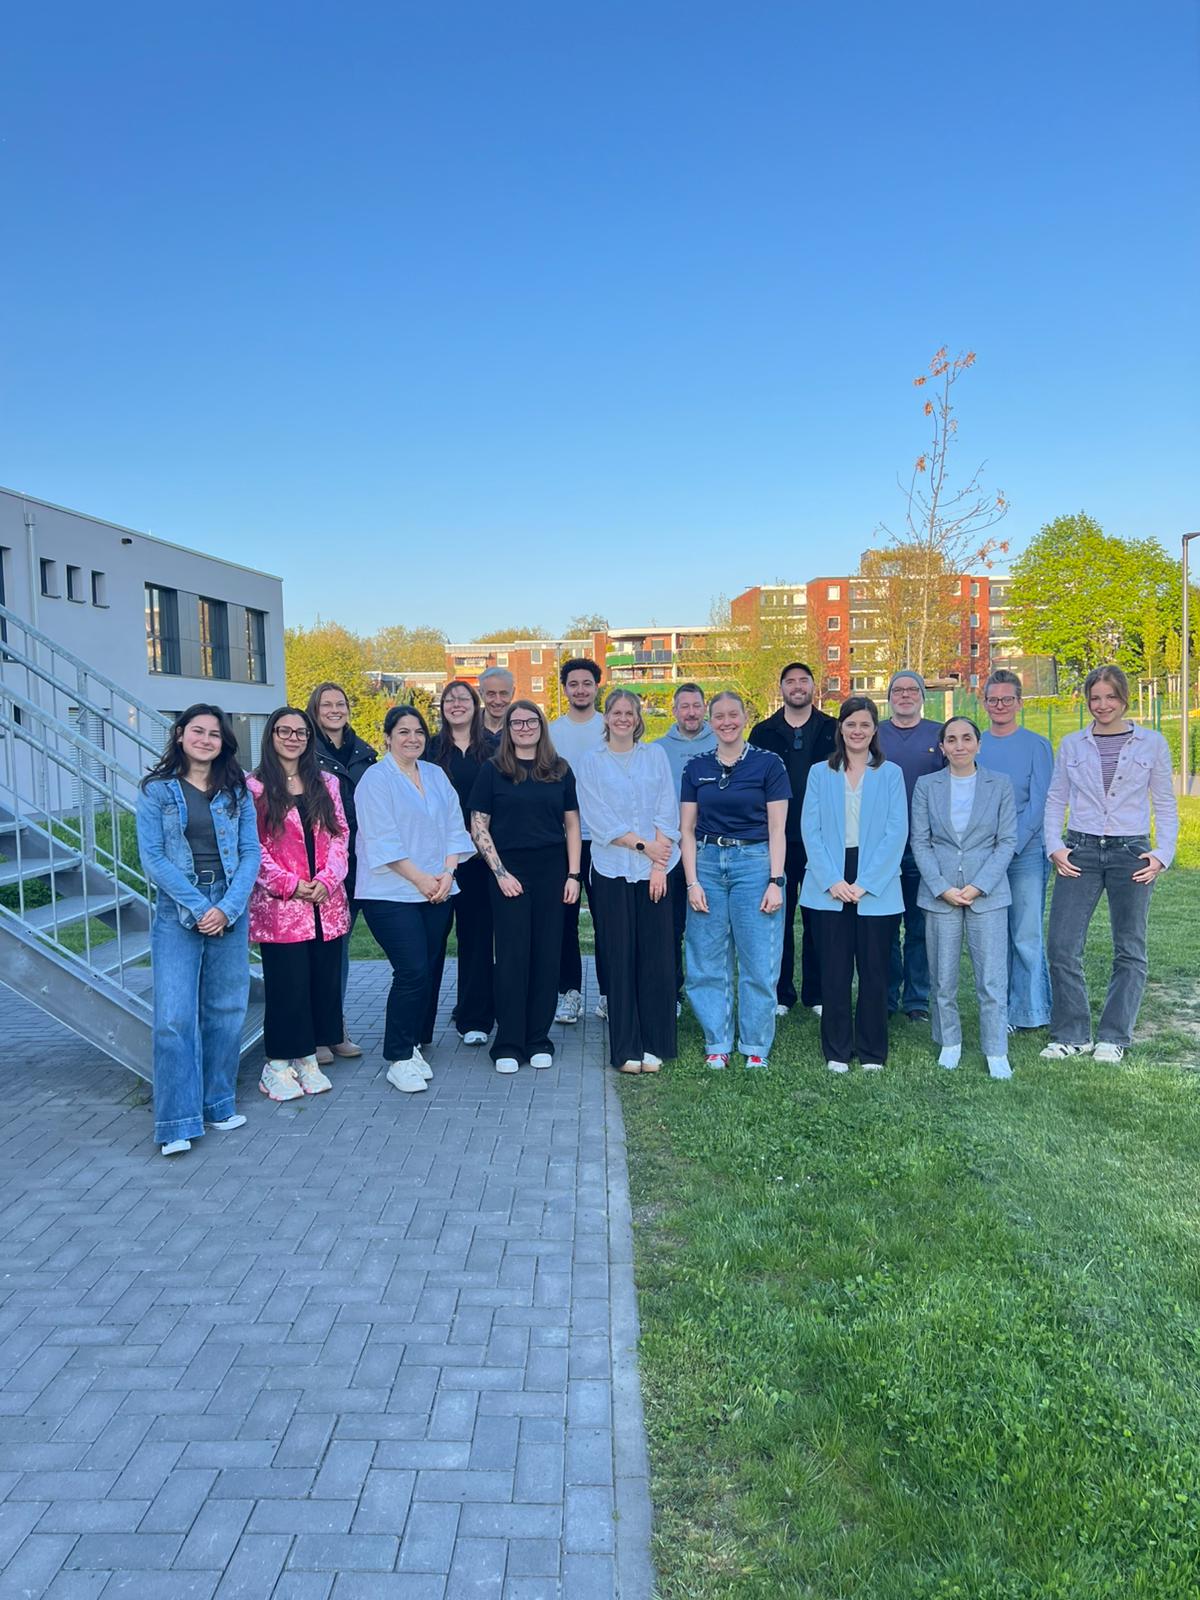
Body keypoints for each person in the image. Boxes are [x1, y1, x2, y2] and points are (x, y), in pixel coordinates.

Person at [136, 705, 261, 1156]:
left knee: (225, 1010)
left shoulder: (237, 791)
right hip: (179, 910)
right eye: (197, 731)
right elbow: (153, 857)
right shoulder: (156, 791)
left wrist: (227, 908)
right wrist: (200, 906)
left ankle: (218, 1104)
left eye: (214, 734)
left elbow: (251, 852)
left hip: (229, 906)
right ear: (180, 735)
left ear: (223, 742)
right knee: (174, 1018)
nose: (205, 739)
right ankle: (176, 1122)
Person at [1042, 664, 1178, 1064]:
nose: (1103, 705)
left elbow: (1165, 803)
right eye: (1095, 698)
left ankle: (1113, 1037)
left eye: (1111, 697)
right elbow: (1056, 799)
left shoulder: (1152, 743)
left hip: (1131, 852)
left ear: (1124, 699)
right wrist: (1055, 846)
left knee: (1130, 948)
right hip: (1080, 850)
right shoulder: (1072, 744)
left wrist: (1162, 854)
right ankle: (1072, 1034)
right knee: (1062, 945)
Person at [354, 705, 475, 1095]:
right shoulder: (375, 780)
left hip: (438, 888)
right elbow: (382, 840)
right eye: (403, 732)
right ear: (387, 737)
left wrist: (448, 874)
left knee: (430, 969)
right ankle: (398, 1057)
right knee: (412, 971)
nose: (412, 738)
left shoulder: (436, 774)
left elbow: (455, 827)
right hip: (390, 893)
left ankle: (415, 1044)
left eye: (419, 731)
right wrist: (422, 879)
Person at [469, 701, 582, 1074]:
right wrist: (500, 872)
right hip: (509, 873)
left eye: (530, 721)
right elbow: (478, 826)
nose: (523, 727)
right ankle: (508, 1042)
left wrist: (574, 875)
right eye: (515, 722)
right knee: (512, 957)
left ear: (541, 725)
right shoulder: (492, 770)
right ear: (507, 729)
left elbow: (572, 825)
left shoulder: (559, 770)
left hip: (553, 872)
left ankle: (538, 1039)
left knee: (547, 955)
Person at [679, 691, 790, 1068]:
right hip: (708, 864)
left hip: (755, 864)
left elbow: (777, 828)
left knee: (759, 960)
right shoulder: (696, 767)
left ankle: (755, 1046)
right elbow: (686, 829)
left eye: (733, 715)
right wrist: (692, 882)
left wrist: (775, 880)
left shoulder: (769, 764)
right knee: (706, 959)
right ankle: (717, 1041)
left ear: (745, 717)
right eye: (719, 716)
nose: (726, 722)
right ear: (710, 722)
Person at [247, 707, 350, 1102]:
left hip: (325, 905)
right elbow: (252, 847)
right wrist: (290, 885)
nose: (293, 738)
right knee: (287, 989)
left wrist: (327, 879)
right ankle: (276, 1065)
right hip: (281, 909)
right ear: (271, 736)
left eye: (301, 732)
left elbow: (340, 835)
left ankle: (306, 1059)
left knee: (321, 985)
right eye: (284, 731)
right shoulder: (254, 787)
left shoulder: (326, 783)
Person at [800, 697, 907, 1073]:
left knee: (875, 971)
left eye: (865, 724)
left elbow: (897, 831)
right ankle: (837, 1050)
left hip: (876, 881)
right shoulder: (820, 773)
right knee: (834, 971)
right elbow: (810, 830)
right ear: (840, 728)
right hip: (829, 879)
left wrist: (866, 883)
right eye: (851, 724)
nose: (857, 731)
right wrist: (832, 880)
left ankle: (872, 1051)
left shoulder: (890, 774)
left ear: (874, 729)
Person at [577, 690, 679, 1074]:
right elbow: (598, 818)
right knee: (619, 957)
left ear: (638, 719)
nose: (623, 718)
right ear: (605, 718)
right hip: (612, 870)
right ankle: (625, 1048)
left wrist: (658, 864)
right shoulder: (592, 762)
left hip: (656, 872)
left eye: (629, 713)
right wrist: (643, 846)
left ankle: (655, 1043)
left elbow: (667, 808)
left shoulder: (655, 756)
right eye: (616, 712)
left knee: (656, 958)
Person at [911, 717, 1018, 1079]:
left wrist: (979, 885)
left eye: (967, 738)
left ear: (978, 744)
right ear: (942, 747)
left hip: (987, 893)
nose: (960, 745)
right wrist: (941, 886)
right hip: (940, 892)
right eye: (952, 739)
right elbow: (920, 840)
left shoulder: (999, 784)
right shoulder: (927, 786)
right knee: (943, 977)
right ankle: (949, 1042)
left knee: (991, 979)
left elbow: (1006, 841)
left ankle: (996, 1049)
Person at [749, 662, 837, 1018]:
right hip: (777, 839)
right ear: (781, 688)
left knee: (819, 919)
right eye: (790, 681)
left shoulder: (832, 729)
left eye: (803, 680)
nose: (797, 686)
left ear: (813, 686)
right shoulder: (763, 733)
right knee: (777, 919)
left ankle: (816, 993)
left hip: (821, 840)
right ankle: (780, 993)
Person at [977, 669, 1054, 1031]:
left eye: (1007, 699)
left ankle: (1030, 1011)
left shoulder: (1037, 746)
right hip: (983, 855)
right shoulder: (975, 744)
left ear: (1020, 703)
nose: (1000, 705)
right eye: (993, 700)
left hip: (1025, 853)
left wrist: (1012, 846)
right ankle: (1001, 1009)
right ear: (984, 703)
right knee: (994, 937)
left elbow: (1040, 803)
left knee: (1025, 934)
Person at [308, 679, 378, 1062]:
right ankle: (319, 1033)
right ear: (315, 710)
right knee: (324, 952)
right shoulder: (305, 752)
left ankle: (335, 1028)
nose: (335, 710)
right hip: (322, 869)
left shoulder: (365, 755)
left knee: (341, 948)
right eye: (327, 705)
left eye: (340, 704)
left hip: (361, 864)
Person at [425, 681, 495, 1046]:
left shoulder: (494, 749)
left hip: (480, 861)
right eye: (449, 699)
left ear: (475, 705)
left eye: (463, 698)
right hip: (437, 861)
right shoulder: (429, 749)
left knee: (477, 940)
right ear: (442, 708)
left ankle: (474, 1019)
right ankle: (420, 1025)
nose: (456, 704)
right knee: (431, 943)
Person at [877, 670, 945, 1021]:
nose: (905, 695)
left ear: (922, 696)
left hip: (925, 845)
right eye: (898, 690)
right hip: (882, 846)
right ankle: (886, 997)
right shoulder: (874, 734)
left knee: (920, 927)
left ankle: (917, 1000)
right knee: (886, 927)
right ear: (889, 697)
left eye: (912, 690)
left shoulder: (939, 734)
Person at [549, 658, 609, 1025]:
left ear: (597, 686)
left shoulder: (611, 726)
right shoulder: (552, 732)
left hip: (605, 840)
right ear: (565, 688)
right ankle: (569, 993)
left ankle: (608, 994)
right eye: (574, 684)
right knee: (564, 920)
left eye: (587, 683)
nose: (581, 689)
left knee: (607, 920)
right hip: (563, 840)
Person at [656, 683, 718, 1009]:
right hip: (671, 849)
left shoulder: (722, 742)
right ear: (674, 711)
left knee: (708, 927)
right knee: (670, 927)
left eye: (696, 706)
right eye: (684, 706)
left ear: (704, 708)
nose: (691, 713)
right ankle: (672, 992)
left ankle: (708, 991)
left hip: (710, 849)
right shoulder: (657, 750)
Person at [478, 666, 515, 745]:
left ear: (512, 693)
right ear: (481, 694)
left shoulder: (523, 728)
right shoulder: (467, 727)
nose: (498, 701)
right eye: (491, 694)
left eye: (503, 694)